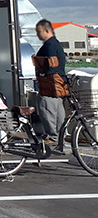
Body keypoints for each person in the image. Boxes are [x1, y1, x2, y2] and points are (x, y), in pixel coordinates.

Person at [34, 19, 66, 151]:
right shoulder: (55, 43)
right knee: (58, 111)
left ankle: (53, 137)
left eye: (39, 32)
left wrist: (44, 75)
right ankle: (60, 138)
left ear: (47, 31)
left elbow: (51, 64)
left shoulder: (50, 45)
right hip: (60, 83)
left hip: (50, 84)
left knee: (46, 108)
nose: (38, 35)